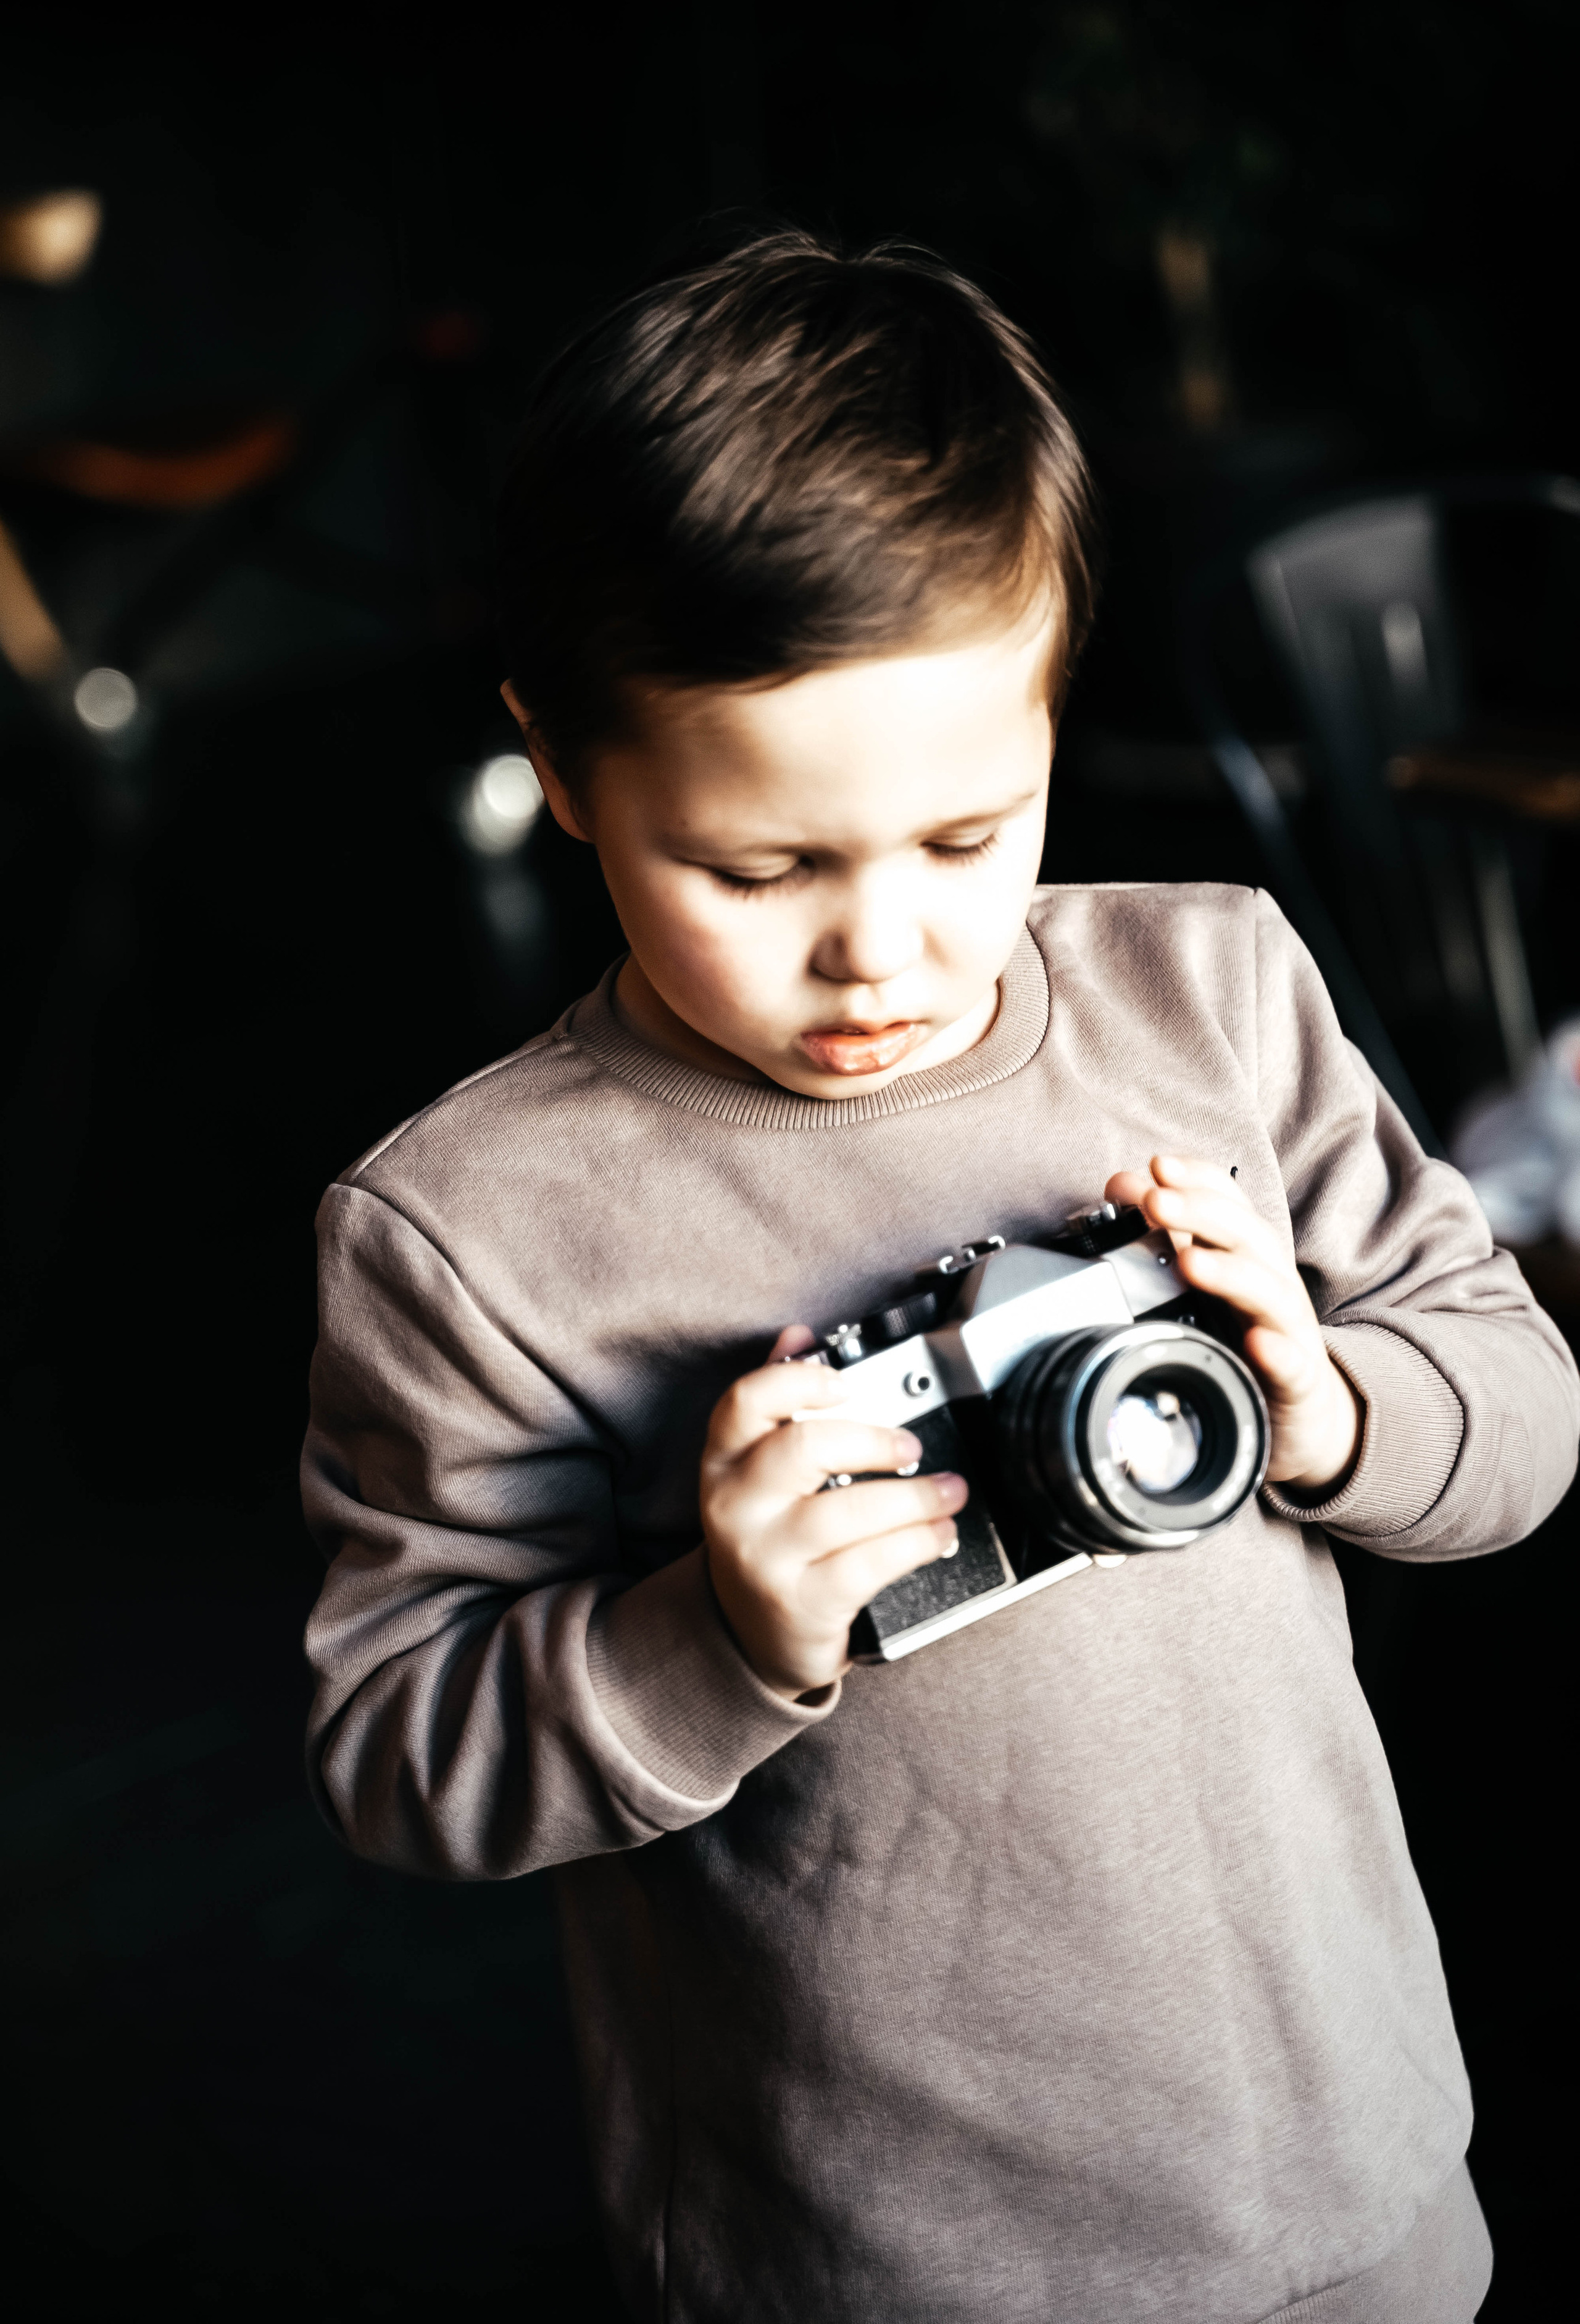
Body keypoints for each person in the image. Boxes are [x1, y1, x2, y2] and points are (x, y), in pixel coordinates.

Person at [301, 230, 1578, 2324]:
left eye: (972, 835)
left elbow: (1523, 1413)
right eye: (760, 868)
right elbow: (397, 1757)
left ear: (1055, 699)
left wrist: (1329, 1403)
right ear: (561, 770)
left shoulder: (1215, 994)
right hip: (875, 2255)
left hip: (1349, 2153)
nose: (880, 951)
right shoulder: (475, 1229)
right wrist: (712, 1632)